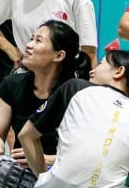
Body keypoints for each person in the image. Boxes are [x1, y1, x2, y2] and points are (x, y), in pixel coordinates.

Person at [0, 20, 92, 176]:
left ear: (59, 55)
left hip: (65, 172)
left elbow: (89, 152)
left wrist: (46, 160)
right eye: (31, 38)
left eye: (38, 41)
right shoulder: (12, 84)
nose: (28, 45)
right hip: (23, 172)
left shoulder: (74, 92)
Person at [12, 50, 129, 187]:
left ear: (119, 71)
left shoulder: (76, 87)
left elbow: (26, 134)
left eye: (100, 64)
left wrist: (43, 178)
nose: (92, 71)